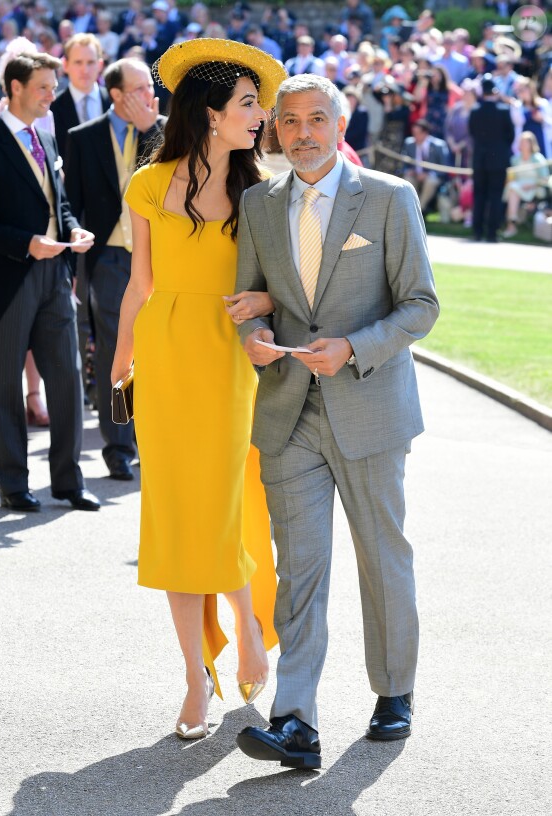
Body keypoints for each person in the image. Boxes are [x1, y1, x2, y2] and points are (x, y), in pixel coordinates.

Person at [234, 74, 439, 770]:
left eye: (316, 119)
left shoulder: (388, 197)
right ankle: (295, 720)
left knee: (382, 558)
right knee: (300, 571)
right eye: (289, 122)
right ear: (276, 131)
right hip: (289, 411)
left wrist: (354, 347)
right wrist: (254, 337)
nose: (302, 133)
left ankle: (394, 690)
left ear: (340, 124)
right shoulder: (258, 204)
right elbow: (251, 302)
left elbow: (421, 306)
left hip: (371, 405)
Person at [111, 38, 288, 739]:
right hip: (165, 358)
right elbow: (139, 287)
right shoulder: (149, 184)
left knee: (217, 508)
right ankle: (194, 676)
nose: (261, 115)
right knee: (175, 517)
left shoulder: (262, 189)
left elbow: (282, 286)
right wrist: (120, 369)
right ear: (212, 113)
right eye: (249, 104)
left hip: (228, 360)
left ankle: (245, 626)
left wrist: (264, 305)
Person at [0, 52, 100, 512]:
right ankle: (13, 483)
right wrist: (27, 243)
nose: (52, 94)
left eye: (53, 85)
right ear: (16, 88)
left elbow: (59, 204)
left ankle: (68, 481)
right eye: (44, 87)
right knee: (4, 384)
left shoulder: (46, 137)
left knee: (67, 381)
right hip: (10, 280)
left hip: (56, 274)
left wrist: (73, 229)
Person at [65, 58, 164, 481]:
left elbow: (176, 174)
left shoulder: (163, 130)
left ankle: (152, 440)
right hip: (108, 257)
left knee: (156, 349)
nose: (149, 96)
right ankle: (118, 446)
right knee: (114, 350)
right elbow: (71, 202)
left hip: (158, 259)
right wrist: (74, 261)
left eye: (149, 88)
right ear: (117, 95)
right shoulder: (82, 137)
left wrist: (150, 130)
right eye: (139, 89)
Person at [50, 33, 110, 161]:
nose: (85, 70)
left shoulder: (114, 101)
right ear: (65, 65)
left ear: (100, 65)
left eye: (91, 62)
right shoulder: (53, 108)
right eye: (78, 62)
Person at [469, 73, 514, 241]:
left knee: (479, 195)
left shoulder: (475, 110)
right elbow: (510, 135)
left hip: (479, 159)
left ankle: (477, 232)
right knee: (495, 195)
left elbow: (472, 132)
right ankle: (492, 233)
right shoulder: (503, 110)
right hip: (498, 159)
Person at [502, 130, 550, 237]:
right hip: (518, 188)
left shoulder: (538, 159)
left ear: (531, 144)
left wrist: (531, 185)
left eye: (525, 142)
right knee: (512, 189)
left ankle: (511, 224)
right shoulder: (515, 159)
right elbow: (512, 177)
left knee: (513, 189)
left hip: (535, 188)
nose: (523, 145)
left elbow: (545, 179)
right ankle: (512, 223)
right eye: (521, 142)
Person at [402, 118, 450, 214]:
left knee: (431, 181)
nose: (415, 136)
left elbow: (444, 168)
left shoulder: (439, 146)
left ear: (425, 133)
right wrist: (409, 170)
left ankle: (419, 210)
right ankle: (410, 209)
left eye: (418, 133)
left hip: (432, 177)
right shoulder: (409, 144)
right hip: (415, 176)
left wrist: (428, 174)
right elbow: (404, 165)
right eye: (414, 133)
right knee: (407, 180)